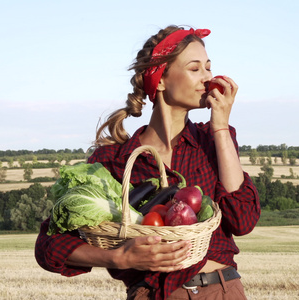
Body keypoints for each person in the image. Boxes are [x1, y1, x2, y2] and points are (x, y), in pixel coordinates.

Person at [35, 25, 260, 300]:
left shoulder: (212, 140)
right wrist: (119, 258)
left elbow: (243, 219)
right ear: (161, 79)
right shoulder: (114, 160)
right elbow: (48, 246)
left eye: (209, 67)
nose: (208, 78)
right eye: (195, 68)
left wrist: (221, 126)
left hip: (220, 290)